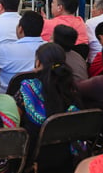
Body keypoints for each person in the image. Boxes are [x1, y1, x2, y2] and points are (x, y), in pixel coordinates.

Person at [13, 43, 83, 172]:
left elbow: (15, 122)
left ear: (38, 63)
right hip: (68, 156)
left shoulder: (27, 89)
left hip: (34, 158)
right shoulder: (72, 89)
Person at [0, 11, 45, 93]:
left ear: (20, 29)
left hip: (9, 101)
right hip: (42, 100)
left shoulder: (4, 50)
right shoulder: (51, 50)